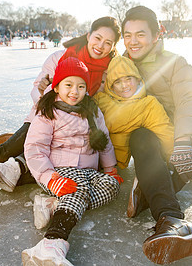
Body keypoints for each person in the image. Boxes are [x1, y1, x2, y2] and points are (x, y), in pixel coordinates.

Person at [0, 16, 121, 192]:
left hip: (76, 129)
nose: (101, 45)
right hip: (47, 118)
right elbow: (35, 90)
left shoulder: (109, 70)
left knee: (73, 168)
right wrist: (47, 94)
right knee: (4, 153)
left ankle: (22, 147)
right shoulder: (60, 57)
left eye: (108, 42)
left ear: (113, 47)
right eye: (98, 38)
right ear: (88, 35)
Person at [121, 6, 192, 264]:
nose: (133, 41)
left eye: (140, 34)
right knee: (140, 135)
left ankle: (153, 191)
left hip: (176, 139)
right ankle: (170, 216)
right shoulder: (120, 65)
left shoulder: (175, 63)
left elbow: (188, 100)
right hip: (146, 142)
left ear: (155, 35)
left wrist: (183, 142)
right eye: (128, 35)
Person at [21, 57, 122, 266]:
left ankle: (55, 205)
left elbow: (104, 140)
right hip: (56, 172)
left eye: (81, 86)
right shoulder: (48, 112)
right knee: (78, 189)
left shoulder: (92, 111)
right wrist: (50, 178)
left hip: (86, 171)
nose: (74, 91)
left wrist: (110, 168)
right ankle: (52, 242)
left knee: (111, 187)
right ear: (57, 86)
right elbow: (35, 149)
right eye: (68, 85)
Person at [94, 55, 175, 170]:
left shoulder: (148, 105)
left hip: (118, 163)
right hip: (96, 162)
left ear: (137, 79)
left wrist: (176, 158)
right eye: (117, 82)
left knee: (143, 136)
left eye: (128, 79)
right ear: (111, 86)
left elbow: (165, 132)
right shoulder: (101, 100)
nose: (124, 85)